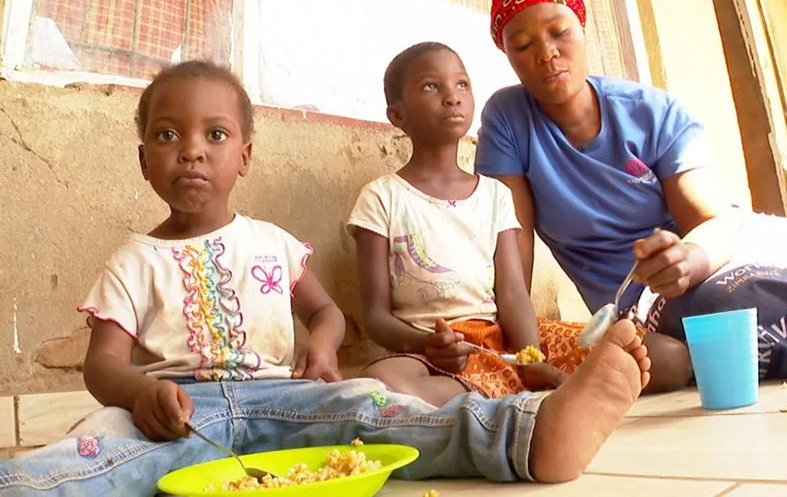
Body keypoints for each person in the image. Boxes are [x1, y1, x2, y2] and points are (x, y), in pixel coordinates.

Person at [0, 59, 650, 495]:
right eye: (168, 135)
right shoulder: (132, 259)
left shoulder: (273, 244)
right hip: (175, 411)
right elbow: (102, 365)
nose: (192, 148)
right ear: (145, 161)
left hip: (282, 396)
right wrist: (139, 395)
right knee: (95, 449)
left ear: (245, 157)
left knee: (376, 408)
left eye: (215, 134)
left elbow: (328, 313)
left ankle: (529, 434)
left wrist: (320, 345)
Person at [474, 0, 742, 393]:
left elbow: (715, 223)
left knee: (736, 316)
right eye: (524, 45)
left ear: (583, 30)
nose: (546, 53)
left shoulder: (652, 113)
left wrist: (688, 259)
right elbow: (512, 253)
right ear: (508, 56)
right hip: (633, 313)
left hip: (704, 276)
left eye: (559, 32)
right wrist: (527, 355)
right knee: (665, 360)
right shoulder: (509, 121)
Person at [349, 42, 612, 407]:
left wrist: (529, 357)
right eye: (431, 86)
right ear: (398, 115)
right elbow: (376, 316)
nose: (452, 97)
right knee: (379, 383)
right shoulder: (382, 198)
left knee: (648, 353)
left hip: (507, 339)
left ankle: (519, 392)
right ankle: (538, 399)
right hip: (436, 353)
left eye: (462, 85)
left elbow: (513, 294)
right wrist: (426, 344)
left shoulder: (494, 195)